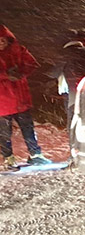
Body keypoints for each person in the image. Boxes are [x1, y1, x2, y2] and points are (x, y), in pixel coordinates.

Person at [0, 25, 52, 170]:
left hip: (20, 99)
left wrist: (22, 72)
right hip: (3, 102)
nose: (1, 43)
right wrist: (5, 75)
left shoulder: (18, 50)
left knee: (28, 128)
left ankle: (35, 155)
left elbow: (32, 64)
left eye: (3, 40)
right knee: (4, 133)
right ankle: (8, 159)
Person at [55, 29, 85, 127]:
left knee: (72, 118)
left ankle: (72, 137)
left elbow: (53, 72)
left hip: (68, 91)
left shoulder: (61, 53)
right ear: (84, 41)